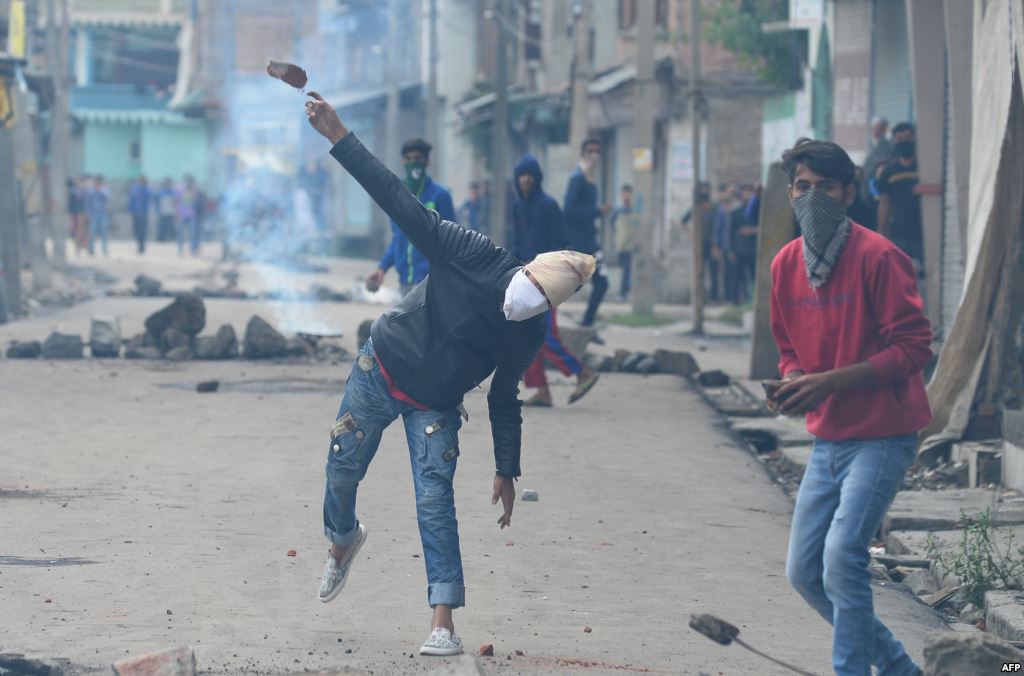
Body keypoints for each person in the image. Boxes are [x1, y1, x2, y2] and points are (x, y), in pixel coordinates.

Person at [304, 91, 596, 657]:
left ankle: (443, 622)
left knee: (434, 499)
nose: (526, 305)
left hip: (435, 401)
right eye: (530, 291)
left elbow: (505, 396)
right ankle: (342, 541)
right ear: (528, 270)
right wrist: (339, 136)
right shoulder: (475, 253)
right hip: (381, 365)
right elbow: (398, 201)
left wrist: (507, 468)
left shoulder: (528, 332)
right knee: (342, 470)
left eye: (541, 305)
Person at [768, 138, 932, 676]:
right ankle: (900, 669)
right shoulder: (785, 265)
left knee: (842, 559)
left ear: (850, 192)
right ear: (790, 193)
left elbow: (913, 348)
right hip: (828, 437)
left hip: (883, 434)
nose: (813, 198)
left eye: (826, 187)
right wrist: (795, 382)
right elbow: (788, 349)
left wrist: (827, 383)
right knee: (804, 573)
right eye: (803, 187)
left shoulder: (880, 256)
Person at [511, 153, 601, 408]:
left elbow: (562, 243)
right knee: (527, 335)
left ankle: (582, 373)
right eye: (521, 175)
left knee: (544, 336)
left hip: (549, 279)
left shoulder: (548, 205)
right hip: (526, 279)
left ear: (536, 177)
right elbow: (518, 242)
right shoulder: (518, 206)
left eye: (529, 175)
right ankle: (542, 390)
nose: (526, 180)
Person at [365, 138, 456, 297]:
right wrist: (382, 268)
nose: (413, 163)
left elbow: (452, 240)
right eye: (408, 159)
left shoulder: (440, 195)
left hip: (431, 282)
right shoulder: (397, 195)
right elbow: (397, 239)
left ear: (427, 161)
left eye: (417, 159)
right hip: (405, 282)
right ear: (402, 161)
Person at [564, 138, 612, 331]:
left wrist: (593, 222)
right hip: (581, 245)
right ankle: (585, 323)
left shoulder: (589, 179)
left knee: (602, 283)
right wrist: (597, 212)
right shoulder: (578, 178)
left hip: (590, 242)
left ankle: (587, 323)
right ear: (583, 154)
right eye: (590, 151)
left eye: (598, 151)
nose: (594, 155)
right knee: (569, 285)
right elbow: (569, 210)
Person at [876, 122, 923, 269]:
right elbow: (884, 203)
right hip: (898, 234)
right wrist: (881, 233)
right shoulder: (888, 172)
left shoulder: (924, 168)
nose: (904, 141)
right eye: (899, 138)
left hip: (922, 233)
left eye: (908, 137)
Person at [682, 182, 718, 303]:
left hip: (712, 245)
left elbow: (718, 228)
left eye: (707, 190)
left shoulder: (714, 208)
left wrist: (716, 246)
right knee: (699, 272)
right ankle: (699, 297)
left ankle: (714, 297)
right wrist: (691, 235)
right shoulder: (695, 208)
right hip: (699, 245)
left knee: (714, 272)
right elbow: (683, 221)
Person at [611, 184, 637, 300]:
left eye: (628, 194)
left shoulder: (635, 210)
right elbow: (611, 224)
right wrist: (617, 236)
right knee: (625, 269)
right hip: (621, 244)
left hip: (632, 244)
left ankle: (624, 293)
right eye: (624, 194)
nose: (626, 196)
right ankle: (624, 292)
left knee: (628, 269)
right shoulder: (618, 210)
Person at [861, 116, 891, 193]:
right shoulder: (872, 145)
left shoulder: (887, 146)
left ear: (884, 129)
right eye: (874, 127)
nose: (875, 130)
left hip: (877, 184)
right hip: (867, 182)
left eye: (878, 128)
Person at [299, 158, 329, 233]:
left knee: (320, 219)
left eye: (313, 164)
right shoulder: (303, 178)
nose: (311, 166)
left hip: (320, 201)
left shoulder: (322, 174)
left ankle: (318, 231)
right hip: (309, 202)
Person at [84, 175, 110, 257]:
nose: (98, 184)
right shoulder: (90, 191)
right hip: (93, 214)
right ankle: (91, 249)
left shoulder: (105, 189)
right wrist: (87, 213)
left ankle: (104, 249)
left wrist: (100, 191)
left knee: (104, 232)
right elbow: (87, 203)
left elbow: (107, 198)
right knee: (92, 232)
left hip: (103, 214)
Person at [176, 175, 200, 256]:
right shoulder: (179, 188)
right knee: (180, 234)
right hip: (182, 214)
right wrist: (177, 211)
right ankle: (180, 250)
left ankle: (192, 250)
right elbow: (176, 200)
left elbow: (195, 200)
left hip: (191, 215)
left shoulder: (193, 188)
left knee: (192, 234)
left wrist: (191, 192)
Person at [128, 176, 152, 254]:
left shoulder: (147, 189)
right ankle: (139, 244)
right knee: (136, 231)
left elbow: (150, 198)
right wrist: (130, 210)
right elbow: (131, 200)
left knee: (143, 231)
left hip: (143, 213)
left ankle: (142, 247)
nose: (141, 182)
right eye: (140, 180)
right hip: (136, 213)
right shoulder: (135, 189)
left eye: (142, 181)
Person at [67, 176, 87, 255]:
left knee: (82, 230)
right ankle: (77, 248)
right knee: (76, 230)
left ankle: (81, 246)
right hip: (75, 213)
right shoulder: (74, 190)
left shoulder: (84, 190)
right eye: (78, 182)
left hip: (82, 212)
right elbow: (79, 196)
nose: (79, 183)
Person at [155, 178, 176, 242]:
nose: (167, 185)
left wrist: (174, 211)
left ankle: (169, 238)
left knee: (169, 226)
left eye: (168, 183)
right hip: (162, 212)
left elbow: (175, 202)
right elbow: (157, 201)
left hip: (170, 212)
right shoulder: (160, 192)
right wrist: (158, 210)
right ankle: (161, 239)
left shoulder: (173, 192)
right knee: (161, 226)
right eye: (166, 183)